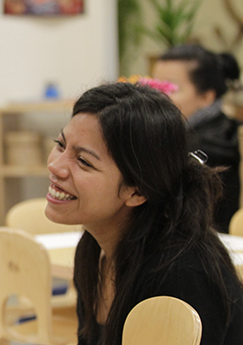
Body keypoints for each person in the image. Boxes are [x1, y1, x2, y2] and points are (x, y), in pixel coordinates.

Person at [45, 82, 243, 344]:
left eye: (84, 161)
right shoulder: (94, 247)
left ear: (137, 192)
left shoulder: (177, 275)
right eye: (61, 144)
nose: (55, 166)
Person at [152, 44, 242, 233]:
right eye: (155, 86)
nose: (158, 97)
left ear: (206, 96)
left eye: (171, 88)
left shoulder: (204, 148)